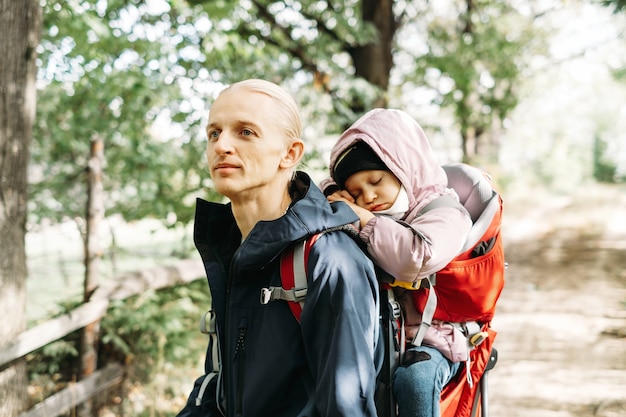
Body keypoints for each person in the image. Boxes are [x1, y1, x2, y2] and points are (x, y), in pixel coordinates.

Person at [177, 79, 382, 417]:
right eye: (214, 133)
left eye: (245, 132)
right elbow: (221, 387)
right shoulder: (233, 247)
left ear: (290, 154)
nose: (222, 145)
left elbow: (347, 407)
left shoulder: (329, 260)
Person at [321, 108, 473, 417]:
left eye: (376, 180)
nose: (368, 197)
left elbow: (416, 257)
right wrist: (331, 193)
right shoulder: (382, 216)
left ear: (404, 169)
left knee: (415, 381)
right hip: (378, 337)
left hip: (433, 341)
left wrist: (362, 220)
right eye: (355, 193)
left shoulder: (445, 213)